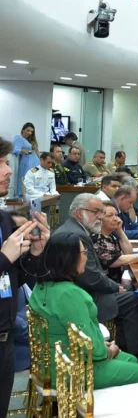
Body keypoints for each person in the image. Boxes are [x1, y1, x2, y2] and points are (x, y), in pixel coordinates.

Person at [28, 232, 138, 389]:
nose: (87, 257)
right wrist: (110, 351)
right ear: (69, 258)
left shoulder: (41, 286)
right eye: (84, 253)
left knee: (131, 360)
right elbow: (94, 351)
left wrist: (102, 346)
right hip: (73, 370)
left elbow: (74, 333)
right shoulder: (69, 294)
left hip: (52, 363)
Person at [51, 193, 138, 356]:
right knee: (136, 300)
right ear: (80, 213)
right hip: (86, 297)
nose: (100, 217)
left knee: (132, 294)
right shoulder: (77, 235)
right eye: (96, 212)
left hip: (84, 291)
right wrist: (115, 287)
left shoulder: (75, 229)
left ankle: (124, 345)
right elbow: (89, 276)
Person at [0, 137, 50, 416]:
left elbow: (24, 279)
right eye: (2, 163)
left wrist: (37, 252)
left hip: (4, 340)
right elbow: (5, 261)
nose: (9, 171)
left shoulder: (4, 220)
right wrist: (4, 257)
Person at [93, 204, 138, 287]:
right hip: (109, 287)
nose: (116, 219)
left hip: (118, 280)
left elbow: (129, 252)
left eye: (116, 215)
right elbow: (119, 260)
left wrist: (120, 231)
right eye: (110, 216)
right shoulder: (97, 238)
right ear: (99, 219)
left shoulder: (110, 235)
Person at [13, 123, 40, 198]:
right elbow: (14, 149)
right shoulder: (19, 138)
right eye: (28, 130)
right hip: (26, 163)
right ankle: (22, 195)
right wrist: (22, 151)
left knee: (32, 180)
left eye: (31, 131)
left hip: (33, 162)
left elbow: (36, 151)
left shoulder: (29, 140)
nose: (29, 133)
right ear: (22, 130)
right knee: (25, 180)